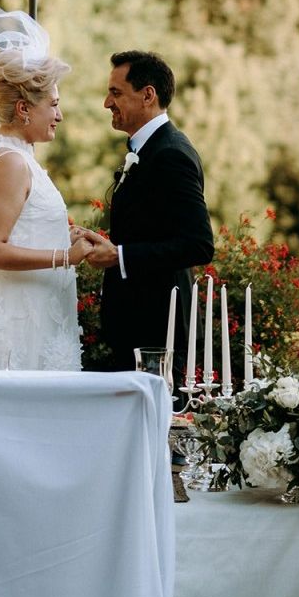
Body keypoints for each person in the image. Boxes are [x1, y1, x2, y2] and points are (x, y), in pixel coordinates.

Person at [0, 4, 92, 371]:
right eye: (54, 105)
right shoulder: (10, 162)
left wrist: (61, 235)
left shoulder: (14, 154)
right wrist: (64, 256)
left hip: (33, 313)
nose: (59, 115)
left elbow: (20, 227)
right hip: (17, 328)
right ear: (25, 109)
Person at [83, 50, 214, 383]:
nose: (106, 103)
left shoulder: (170, 154)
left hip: (159, 335)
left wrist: (119, 256)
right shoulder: (146, 149)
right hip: (138, 329)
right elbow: (152, 229)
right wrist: (111, 245)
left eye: (115, 93)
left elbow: (198, 245)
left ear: (148, 95)